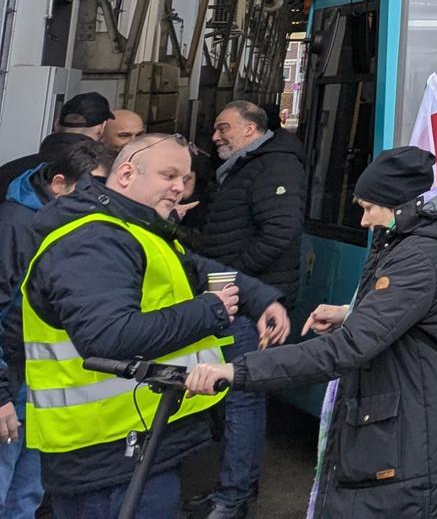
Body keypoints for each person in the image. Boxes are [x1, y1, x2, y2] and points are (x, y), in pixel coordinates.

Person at [184, 146, 437, 517]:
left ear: (397, 204)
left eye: (368, 207)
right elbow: (434, 313)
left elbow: (344, 351)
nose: (362, 220)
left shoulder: (418, 256)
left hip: (425, 434)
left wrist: (237, 370)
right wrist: (351, 312)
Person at [18, 134, 288, 519]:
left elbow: (195, 267)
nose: (180, 188)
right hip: (105, 457)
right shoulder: (94, 241)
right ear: (126, 174)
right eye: (169, 175)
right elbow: (108, 338)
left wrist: (259, 297)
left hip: (131, 444)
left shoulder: (134, 228)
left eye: (185, 178)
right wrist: (210, 311)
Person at [187, 101, 307, 518]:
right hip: (239, 298)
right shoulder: (242, 167)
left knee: (242, 397)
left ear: (252, 130)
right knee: (234, 396)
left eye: (224, 128)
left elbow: (280, 231)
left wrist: (231, 280)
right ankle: (231, 492)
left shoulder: (274, 167)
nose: (215, 136)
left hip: (250, 304)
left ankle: (233, 498)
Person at [0, 135, 114, 519]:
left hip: (39, 379)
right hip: (12, 375)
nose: (96, 200)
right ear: (58, 183)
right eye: (88, 190)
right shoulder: (15, 225)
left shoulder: (65, 221)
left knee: (27, 488)